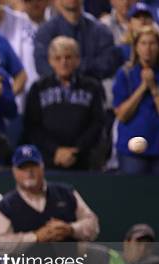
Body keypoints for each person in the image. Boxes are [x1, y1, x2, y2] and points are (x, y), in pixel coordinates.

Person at [23, 36, 105, 170]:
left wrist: (76, 149)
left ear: (77, 60)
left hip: (83, 159)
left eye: (68, 57)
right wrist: (55, 150)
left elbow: (97, 123)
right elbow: (32, 126)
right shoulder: (38, 88)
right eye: (58, 58)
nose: (63, 62)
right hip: (49, 159)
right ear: (50, 61)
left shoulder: (92, 87)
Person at [0, 144, 99, 244]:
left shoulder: (65, 193)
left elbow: (93, 224)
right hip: (28, 263)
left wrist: (70, 229)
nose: (29, 172)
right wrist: (35, 237)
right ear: (14, 171)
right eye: (23, 167)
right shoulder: (5, 206)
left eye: (34, 166)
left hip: (67, 262)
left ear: (42, 167)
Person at [113, 26, 159, 175]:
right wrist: (142, 87)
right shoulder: (124, 74)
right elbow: (122, 115)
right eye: (143, 43)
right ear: (136, 47)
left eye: (152, 43)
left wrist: (153, 88)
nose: (148, 49)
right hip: (131, 150)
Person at [34, 0, 119, 81]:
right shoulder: (45, 32)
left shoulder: (101, 31)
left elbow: (107, 65)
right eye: (58, 59)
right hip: (54, 92)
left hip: (92, 91)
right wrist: (84, 67)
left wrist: (67, 68)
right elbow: (42, 66)